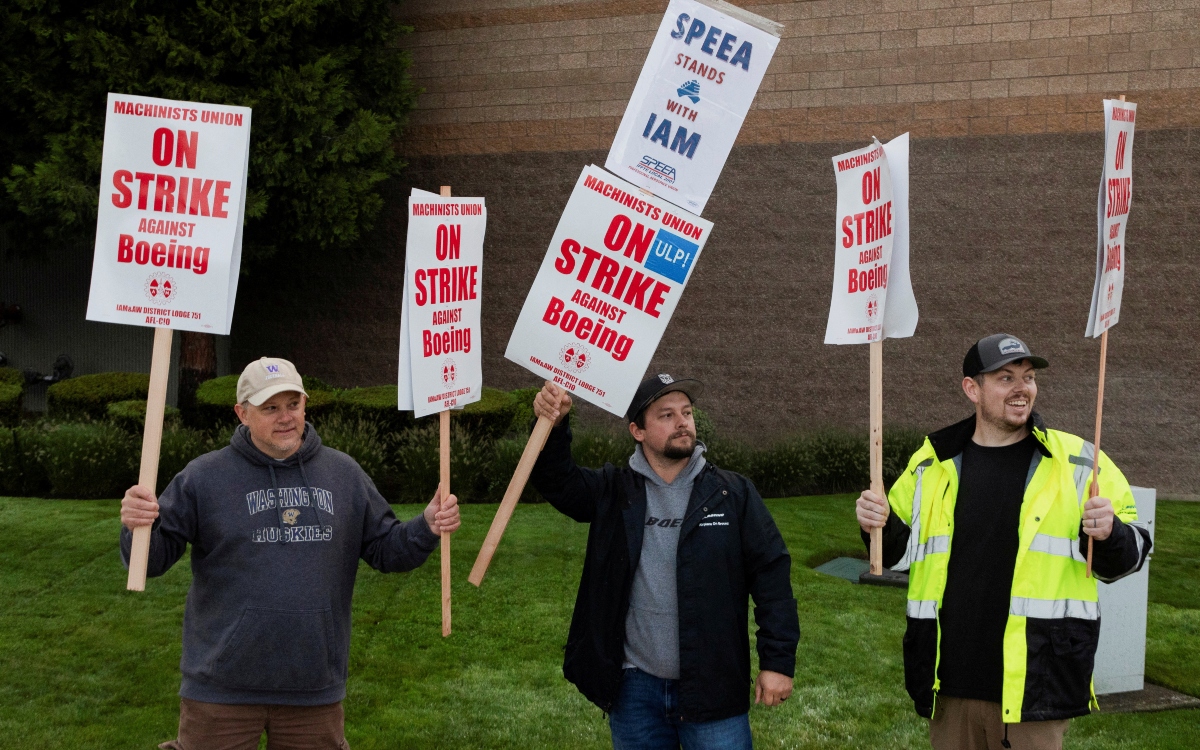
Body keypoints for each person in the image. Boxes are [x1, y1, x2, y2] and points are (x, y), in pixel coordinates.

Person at [119, 357, 460, 750]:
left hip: (313, 685)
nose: (285, 418)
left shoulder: (344, 474)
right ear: (241, 413)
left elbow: (387, 550)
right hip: (221, 688)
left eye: (293, 404)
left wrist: (427, 525)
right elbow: (150, 562)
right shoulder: (204, 477)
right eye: (270, 408)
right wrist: (136, 526)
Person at [856, 334, 1151, 750]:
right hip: (950, 685)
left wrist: (1111, 532)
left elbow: (1131, 555)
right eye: (1006, 377)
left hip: (1035, 689)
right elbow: (897, 555)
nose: (1022, 388)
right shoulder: (930, 462)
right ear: (972, 389)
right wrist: (875, 524)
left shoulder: (1081, 461)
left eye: (1028, 377)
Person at [529, 374, 799, 750]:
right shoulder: (614, 490)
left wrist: (777, 661)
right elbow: (557, 480)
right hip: (634, 689)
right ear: (637, 431)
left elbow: (772, 579)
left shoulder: (731, 494)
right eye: (667, 415)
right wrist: (553, 426)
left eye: (686, 412)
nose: (683, 422)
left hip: (713, 685)